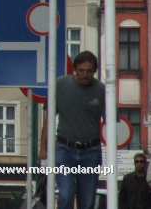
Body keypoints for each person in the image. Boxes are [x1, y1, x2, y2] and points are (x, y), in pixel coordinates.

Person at [39, 50, 105, 209]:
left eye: (89, 71)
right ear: (74, 69)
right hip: (65, 149)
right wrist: (43, 148)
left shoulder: (101, 90)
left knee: (87, 201)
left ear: (94, 71)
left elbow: (111, 123)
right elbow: (48, 119)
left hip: (91, 151)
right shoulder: (60, 85)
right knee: (66, 194)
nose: (85, 75)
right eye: (81, 70)